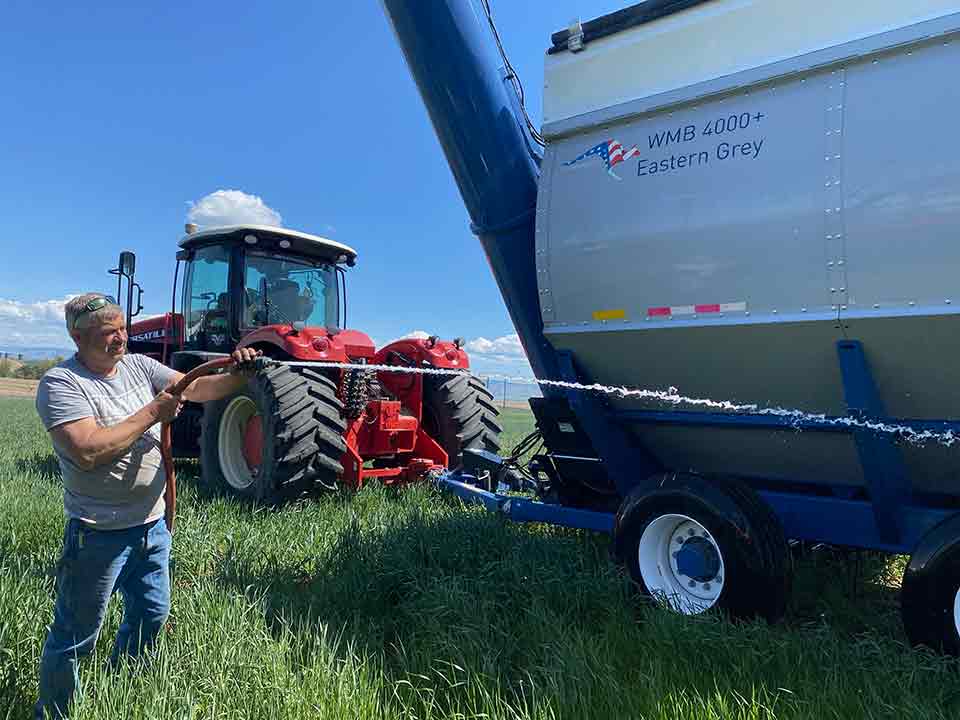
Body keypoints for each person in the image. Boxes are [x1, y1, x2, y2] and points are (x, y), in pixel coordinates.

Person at [33, 292, 259, 719]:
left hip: (152, 527)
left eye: (122, 329)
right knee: (76, 634)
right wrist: (155, 410)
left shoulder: (138, 364)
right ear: (78, 338)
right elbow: (88, 451)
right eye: (107, 334)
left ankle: (121, 691)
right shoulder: (62, 384)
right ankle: (55, 712)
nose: (120, 339)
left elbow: (196, 386)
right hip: (97, 532)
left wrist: (238, 373)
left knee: (151, 616)